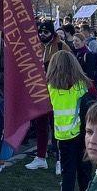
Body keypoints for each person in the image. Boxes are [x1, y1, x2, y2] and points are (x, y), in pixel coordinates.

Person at [47, 50, 97, 191]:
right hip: (84, 134)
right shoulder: (83, 85)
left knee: (68, 175)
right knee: (85, 174)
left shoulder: (51, 87)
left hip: (63, 136)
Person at [26, 21, 69, 170]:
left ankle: (59, 159)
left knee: (56, 126)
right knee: (40, 126)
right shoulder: (35, 45)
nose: (42, 35)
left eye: (46, 32)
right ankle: (40, 157)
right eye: (40, 32)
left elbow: (69, 67)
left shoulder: (61, 46)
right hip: (39, 93)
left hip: (56, 92)